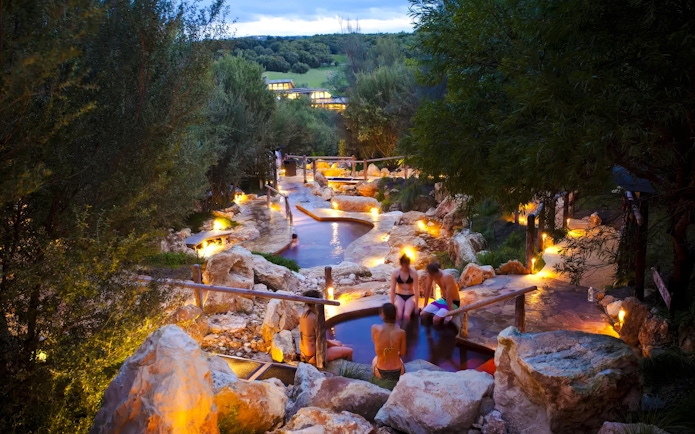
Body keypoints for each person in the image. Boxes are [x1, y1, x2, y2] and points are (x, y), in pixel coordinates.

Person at [299, 290, 353, 364]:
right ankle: (348, 367)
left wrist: (336, 343)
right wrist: (335, 344)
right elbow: (322, 340)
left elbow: (314, 338)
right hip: (315, 355)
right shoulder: (315, 318)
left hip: (304, 352)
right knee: (349, 351)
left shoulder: (304, 314)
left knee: (339, 343)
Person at [371, 303, 406, 381]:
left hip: (380, 371)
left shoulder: (374, 328)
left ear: (382, 314)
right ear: (395, 315)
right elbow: (402, 353)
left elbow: (377, 345)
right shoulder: (401, 332)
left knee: (375, 358)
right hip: (398, 371)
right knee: (398, 358)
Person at [389, 254, 419, 323]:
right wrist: (392, 303)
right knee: (398, 315)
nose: (406, 267)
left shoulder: (413, 273)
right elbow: (392, 289)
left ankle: (406, 331)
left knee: (406, 315)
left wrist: (417, 306)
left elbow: (417, 290)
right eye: (404, 265)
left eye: (407, 265)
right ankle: (398, 330)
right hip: (400, 295)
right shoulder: (395, 273)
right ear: (401, 264)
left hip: (410, 296)